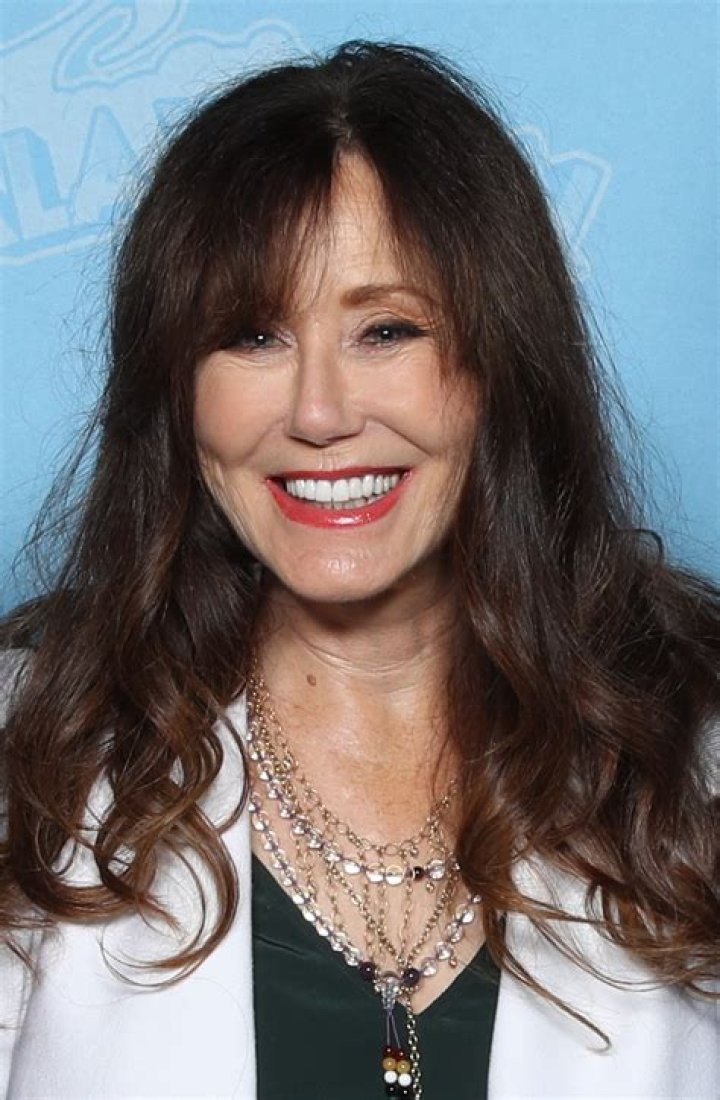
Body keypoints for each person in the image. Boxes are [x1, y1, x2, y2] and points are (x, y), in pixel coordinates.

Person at [0, 40, 718, 1100]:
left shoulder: (692, 760)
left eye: (387, 329)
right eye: (253, 335)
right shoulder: (31, 754)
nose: (320, 412)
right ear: (177, 390)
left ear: (499, 364)